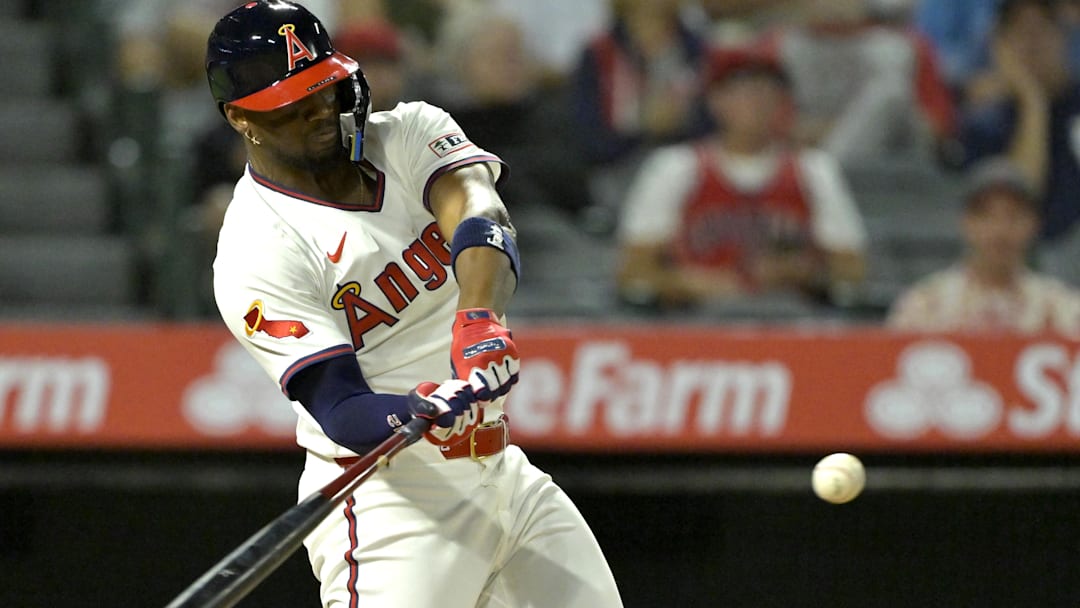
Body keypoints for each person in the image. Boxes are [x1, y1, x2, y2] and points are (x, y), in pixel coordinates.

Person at [203, 2, 623, 607]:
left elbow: (481, 213)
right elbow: (340, 407)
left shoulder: (408, 132)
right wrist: (413, 408)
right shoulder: (256, 248)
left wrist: (477, 320)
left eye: (323, 88)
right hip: (391, 502)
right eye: (292, 104)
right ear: (242, 118)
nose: (320, 111)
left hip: (504, 473)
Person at [615, 47, 867, 313]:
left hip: (792, 319)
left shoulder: (814, 168)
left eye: (765, 91)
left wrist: (802, 273)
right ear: (715, 101)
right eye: (742, 91)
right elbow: (634, 273)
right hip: (694, 320)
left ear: (781, 101)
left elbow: (852, 271)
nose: (755, 102)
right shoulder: (675, 167)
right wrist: (705, 283)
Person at [955, 0, 1080, 287]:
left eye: (1042, 30)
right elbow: (1020, 196)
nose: (1032, 44)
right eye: (1020, 33)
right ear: (1000, 45)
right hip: (1020, 262)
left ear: (1063, 36)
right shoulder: (986, 121)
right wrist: (1032, 101)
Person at [887, 157, 1080, 334]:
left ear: (1034, 224)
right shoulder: (925, 305)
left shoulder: (1062, 307)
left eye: (1014, 216)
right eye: (986, 216)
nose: (1000, 230)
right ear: (966, 222)